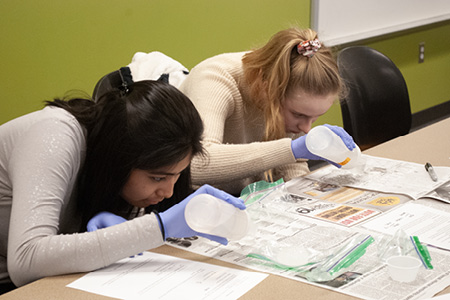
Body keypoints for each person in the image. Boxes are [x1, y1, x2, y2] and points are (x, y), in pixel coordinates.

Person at [0, 74, 245, 290]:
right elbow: (25, 262)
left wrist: (113, 231)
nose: (168, 192)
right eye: (157, 177)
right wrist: (160, 227)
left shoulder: (106, 162)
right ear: (118, 157)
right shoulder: (53, 136)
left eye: (177, 175)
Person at [179, 27, 355, 195]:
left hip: (247, 196)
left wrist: (307, 194)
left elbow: (290, 166)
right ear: (267, 87)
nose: (306, 129)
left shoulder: (294, 87)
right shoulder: (214, 79)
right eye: (298, 115)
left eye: (315, 118)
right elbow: (194, 163)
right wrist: (292, 149)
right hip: (195, 199)